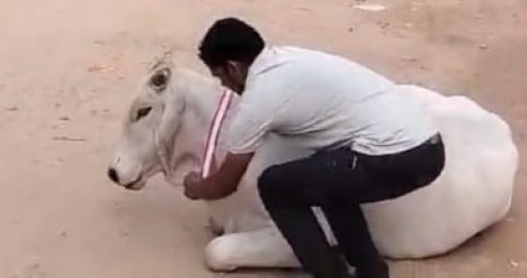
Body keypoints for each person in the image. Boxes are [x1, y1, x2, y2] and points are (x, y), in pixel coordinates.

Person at [183, 18, 445, 278]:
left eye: (221, 78)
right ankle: (370, 272)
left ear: (233, 68)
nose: (225, 88)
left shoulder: (260, 98)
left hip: (398, 156)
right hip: (428, 145)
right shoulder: (288, 59)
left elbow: (225, 184)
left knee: (275, 186)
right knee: (327, 180)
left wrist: (195, 186)